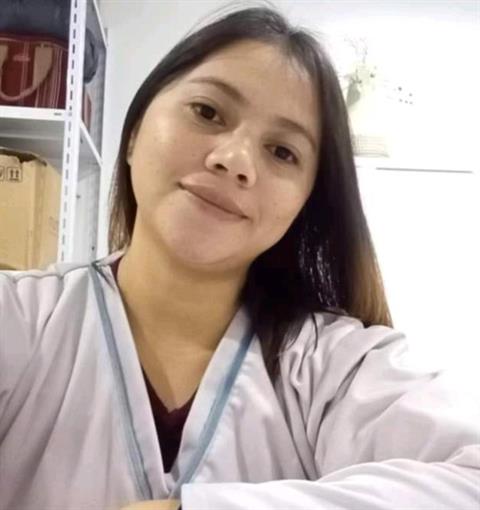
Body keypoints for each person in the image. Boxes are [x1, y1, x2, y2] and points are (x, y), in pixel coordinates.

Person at [0, 5, 479, 510]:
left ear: (305, 203)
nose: (234, 160)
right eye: (207, 112)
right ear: (135, 131)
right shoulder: (20, 321)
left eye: (282, 152)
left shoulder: (335, 367)